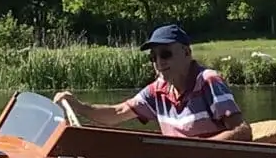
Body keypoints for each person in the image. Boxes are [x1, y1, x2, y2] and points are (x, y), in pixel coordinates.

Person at [57, 25, 250, 142]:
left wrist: (199, 152)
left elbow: (241, 131)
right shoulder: (158, 90)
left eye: (165, 54)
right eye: (153, 57)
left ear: (186, 53)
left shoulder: (208, 80)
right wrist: (79, 107)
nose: (158, 62)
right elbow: (117, 113)